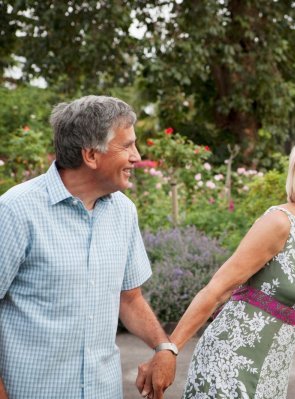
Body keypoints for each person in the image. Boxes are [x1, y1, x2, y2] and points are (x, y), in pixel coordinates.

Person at [138, 133, 295, 398]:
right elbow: (217, 289)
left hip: (272, 373)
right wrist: (170, 350)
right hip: (229, 366)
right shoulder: (279, 223)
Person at [0, 96, 176, 399]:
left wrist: (163, 347)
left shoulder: (123, 211)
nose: (137, 156)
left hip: (101, 390)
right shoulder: (16, 211)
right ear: (91, 155)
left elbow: (130, 298)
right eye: (127, 145)